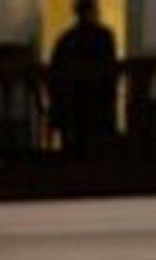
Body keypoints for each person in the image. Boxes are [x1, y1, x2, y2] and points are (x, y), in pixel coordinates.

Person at [46, 0, 119, 157]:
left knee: (75, 153)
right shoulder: (103, 36)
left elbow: (55, 73)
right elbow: (110, 69)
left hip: (75, 106)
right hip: (93, 104)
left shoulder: (66, 39)